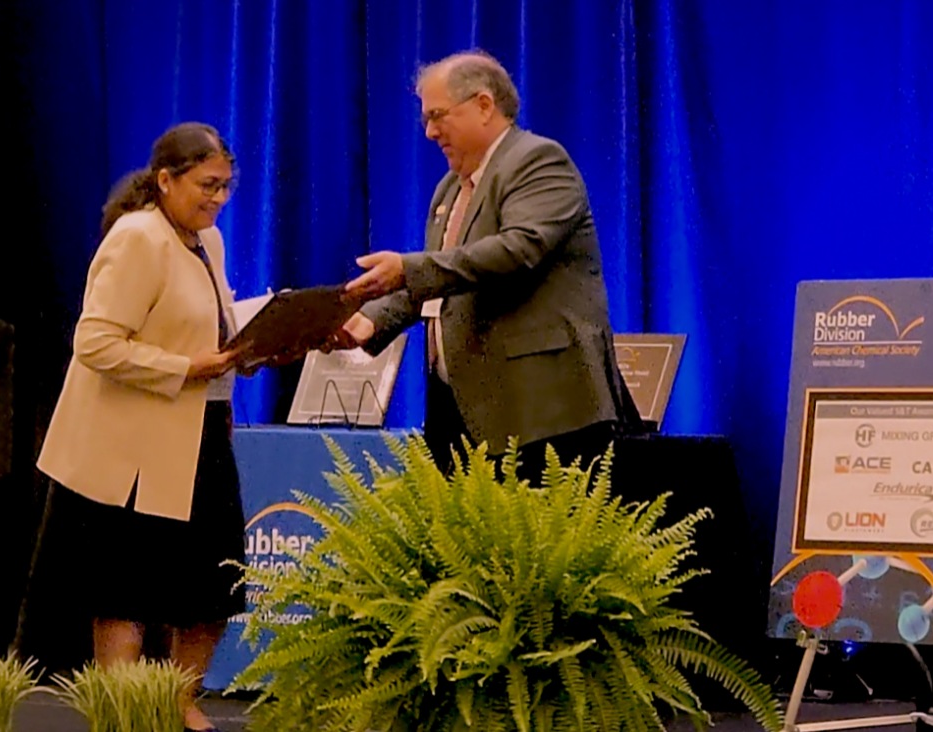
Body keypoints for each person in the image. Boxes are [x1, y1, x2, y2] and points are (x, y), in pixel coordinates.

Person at [34, 122, 277, 732]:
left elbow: (202, 326)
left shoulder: (209, 241)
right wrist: (183, 367)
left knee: (214, 582)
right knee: (125, 586)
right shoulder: (137, 237)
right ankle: (123, 711)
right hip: (129, 449)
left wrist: (248, 348)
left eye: (226, 186)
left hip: (200, 432)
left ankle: (178, 700)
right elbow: (93, 341)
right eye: (206, 185)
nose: (217, 199)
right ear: (165, 180)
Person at [330, 50, 641, 483]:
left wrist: (407, 268)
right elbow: (440, 282)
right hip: (463, 412)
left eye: (438, 116)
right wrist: (368, 321)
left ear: (483, 105)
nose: (430, 131)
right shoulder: (448, 189)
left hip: (541, 411)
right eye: (425, 119)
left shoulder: (538, 161)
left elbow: (519, 249)